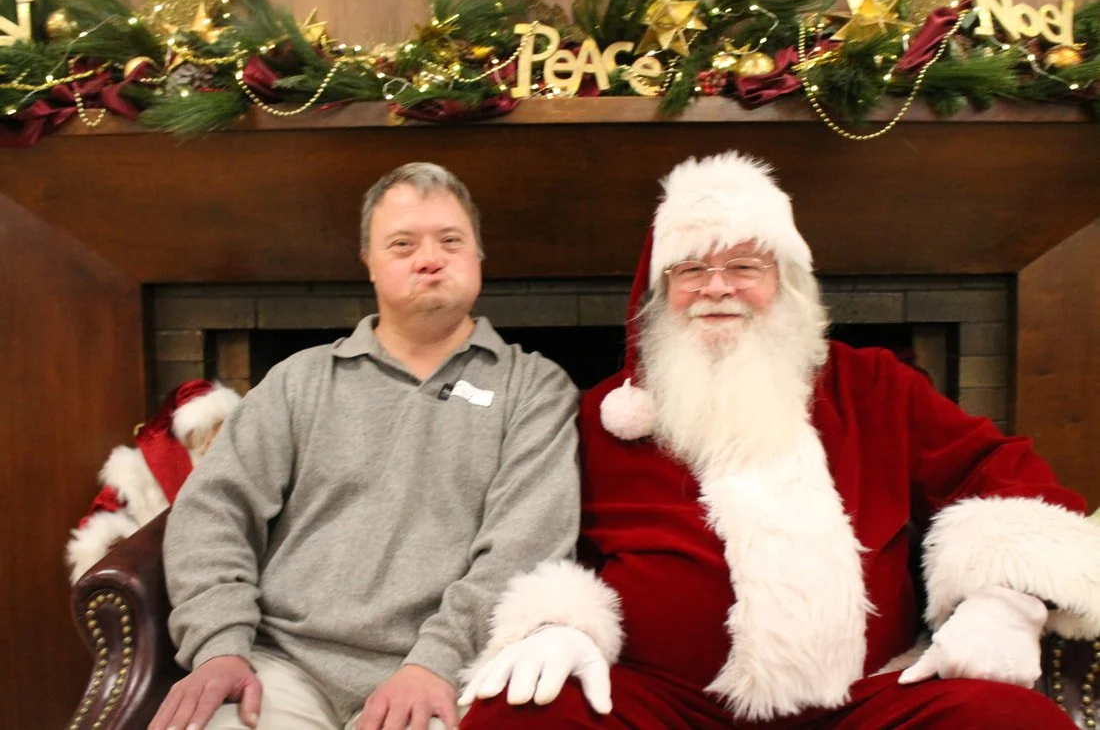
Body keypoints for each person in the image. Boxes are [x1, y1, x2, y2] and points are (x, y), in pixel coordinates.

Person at [458, 151, 1100, 729]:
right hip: (666, 704)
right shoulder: (606, 413)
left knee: (1007, 719)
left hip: (867, 701)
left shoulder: (874, 383)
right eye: (691, 269)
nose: (716, 287)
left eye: (744, 266)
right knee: (515, 716)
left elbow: (999, 467)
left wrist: (1006, 600)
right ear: (662, 292)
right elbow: (542, 535)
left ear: (785, 283)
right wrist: (557, 625)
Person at [149, 162, 580, 730]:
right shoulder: (298, 381)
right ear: (370, 264)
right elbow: (213, 512)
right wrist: (220, 645)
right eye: (402, 244)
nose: (429, 258)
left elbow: (526, 548)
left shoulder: (535, 387)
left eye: (450, 241)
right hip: (279, 665)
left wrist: (436, 661)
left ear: (478, 255)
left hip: (444, 676)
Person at [66, 379, 241, 583]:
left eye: (224, 426)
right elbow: (100, 520)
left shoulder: (238, 465)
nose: (217, 439)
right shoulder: (136, 472)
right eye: (211, 428)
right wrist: (115, 541)